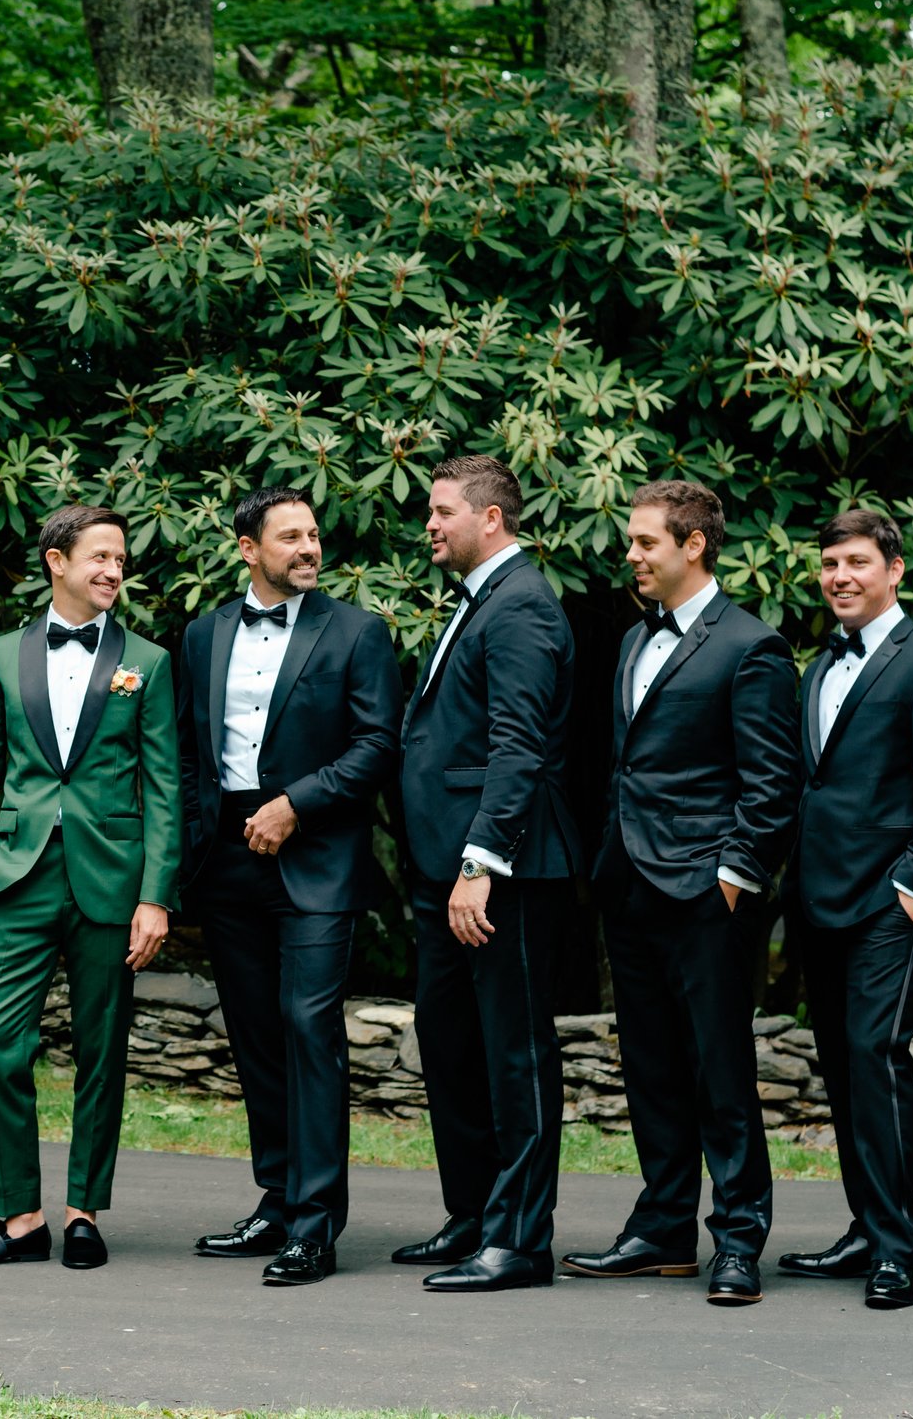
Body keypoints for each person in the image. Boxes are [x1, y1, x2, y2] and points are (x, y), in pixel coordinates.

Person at [564, 479, 799, 1306]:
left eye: (643, 542)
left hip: (706, 893)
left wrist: (732, 878)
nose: (630, 555)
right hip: (629, 882)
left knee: (719, 1069)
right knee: (652, 1067)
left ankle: (738, 1237)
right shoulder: (634, 640)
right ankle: (663, 1227)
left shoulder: (752, 646)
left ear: (693, 544)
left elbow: (772, 783)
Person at [0, 505, 180, 1272]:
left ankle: (83, 1210)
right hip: (17, 875)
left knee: (101, 1049)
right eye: (100, 556)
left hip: (112, 880)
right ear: (57, 561)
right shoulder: (3, 654)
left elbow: (166, 787)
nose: (113, 569)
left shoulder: (148, 659)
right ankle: (19, 1216)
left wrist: (156, 894)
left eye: (119, 559)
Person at [176, 486, 399, 1286]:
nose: (308, 547)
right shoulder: (203, 634)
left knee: (308, 1028)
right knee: (254, 1034)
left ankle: (314, 1223)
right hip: (227, 857)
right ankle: (275, 1197)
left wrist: (296, 805)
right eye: (290, 536)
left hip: (314, 855)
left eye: (313, 534)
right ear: (248, 547)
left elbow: (379, 743)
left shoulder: (357, 631)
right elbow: (190, 752)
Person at [776, 508, 913, 1310]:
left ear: (895, 569)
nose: (840, 577)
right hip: (821, 899)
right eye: (829, 563)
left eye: (857, 561)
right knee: (842, 1069)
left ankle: (898, 1245)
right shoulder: (819, 665)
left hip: (892, 904)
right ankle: (865, 1225)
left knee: (875, 1056)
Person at [392, 456, 578, 1293]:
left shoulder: (522, 606)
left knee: (514, 1055)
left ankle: (520, 1240)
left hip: (501, 871)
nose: (429, 523)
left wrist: (481, 860)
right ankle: (471, 1213)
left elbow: (518, 746)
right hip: (449, 871)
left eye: (441, 511)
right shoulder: (481, 603)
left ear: (490, 518)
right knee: (452, 1047)